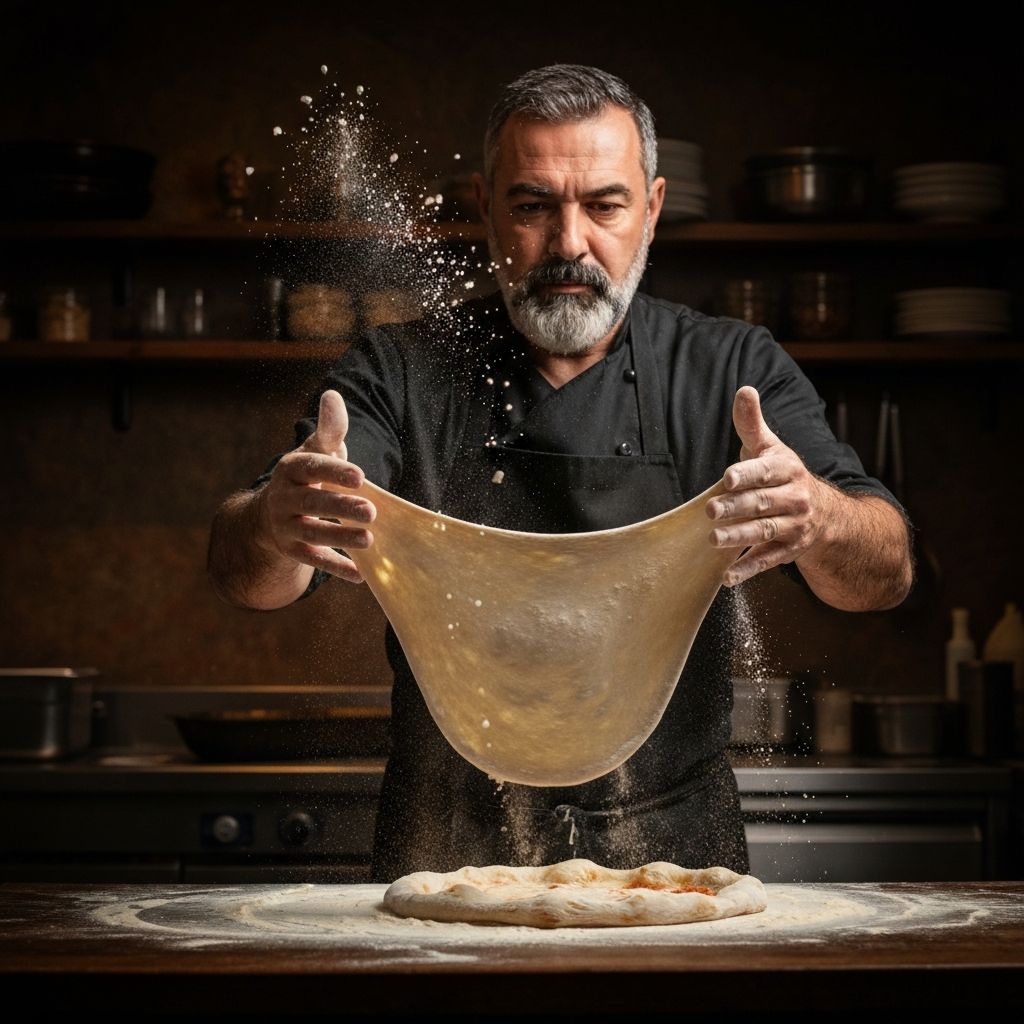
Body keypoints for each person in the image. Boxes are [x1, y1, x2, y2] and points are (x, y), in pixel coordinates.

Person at [208, 64, 913, 881]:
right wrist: (273, 522)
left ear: (651, 209)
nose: (569, 243)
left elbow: (884, 576)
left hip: (675, 866)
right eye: (533, 206)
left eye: (604, 206)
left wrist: (818, 515)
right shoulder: (399, 371)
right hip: (446, 853)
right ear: (486, 209)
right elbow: (252, 579)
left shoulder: (731, 369)